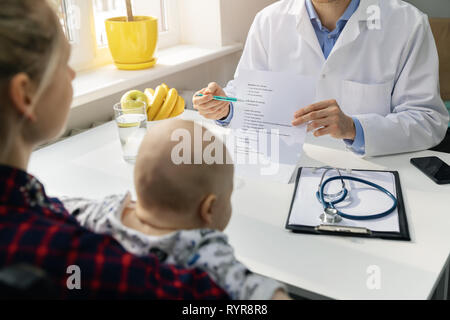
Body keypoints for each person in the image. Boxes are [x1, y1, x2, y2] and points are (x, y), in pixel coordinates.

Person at [0, 0, 229, 299]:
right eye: (63, 64)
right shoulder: (81, 260)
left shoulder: (34, 204)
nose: (71, 75)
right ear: (25, 94)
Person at [61, 120, 291, 300]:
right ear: (208, 208)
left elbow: (54, 206)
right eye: (228, 197)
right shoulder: (208, 257)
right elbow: (258, 291)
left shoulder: (98, 212)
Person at [193, 0, 449, 157]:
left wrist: (354, 128)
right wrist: (226, 108)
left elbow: (428, 120)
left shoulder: (407, 23)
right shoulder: (268, 22)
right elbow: (251, 101)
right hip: (285, 169)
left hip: (376, 173)